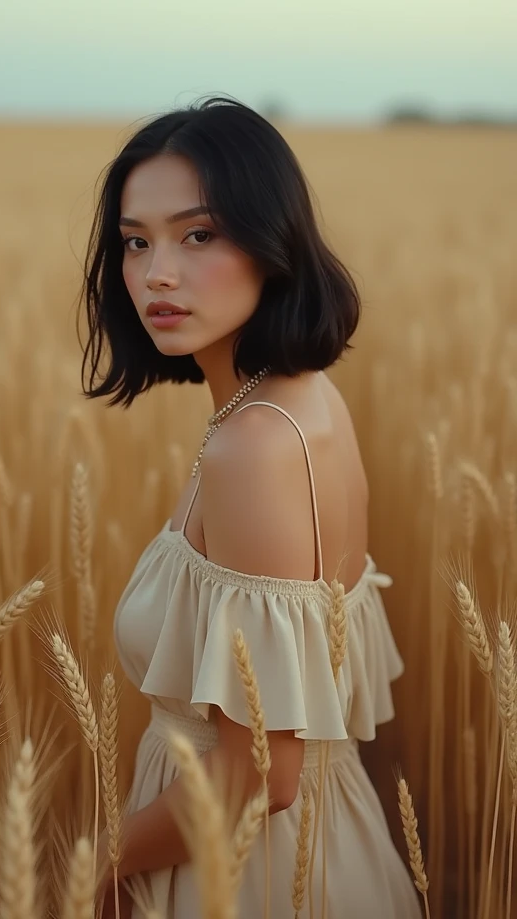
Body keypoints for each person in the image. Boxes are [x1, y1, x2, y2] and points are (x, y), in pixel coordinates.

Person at [78, 95, 421, 918]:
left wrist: (91, 867)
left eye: (198, 235)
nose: (157, 272)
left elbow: (255, 774)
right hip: (308, 852)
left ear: (273, 242)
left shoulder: (254, 446)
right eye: (136, 241)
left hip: (249, 881)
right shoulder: (301, 399)